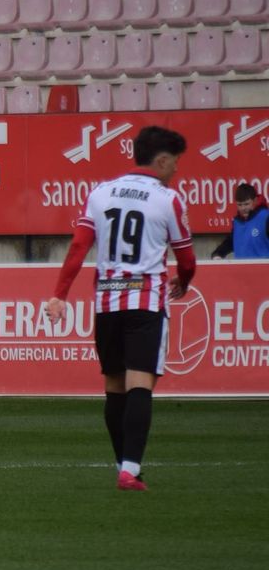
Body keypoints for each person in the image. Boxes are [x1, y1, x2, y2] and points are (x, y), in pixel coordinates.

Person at [46, 125, 197, 492]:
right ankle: (129, 469)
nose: (176, 170)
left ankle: (123, 464)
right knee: (140, 383)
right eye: (174, 162)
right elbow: (187, 258)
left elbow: (78, 248)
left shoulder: (100, 193)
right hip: (145, 303)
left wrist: (59, 295)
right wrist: (185, 280)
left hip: (108, 303)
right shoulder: (168, 199)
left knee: (114, 384)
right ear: (161, 160)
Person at [209, 183, 269, 259]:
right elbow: (230, 242)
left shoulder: (265, 217)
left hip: (263, 269)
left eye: (246, 204)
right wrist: (218, 254)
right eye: (239, 205)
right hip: (241, 270)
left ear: (255, 201)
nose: (243, 208)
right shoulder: (237, 222)